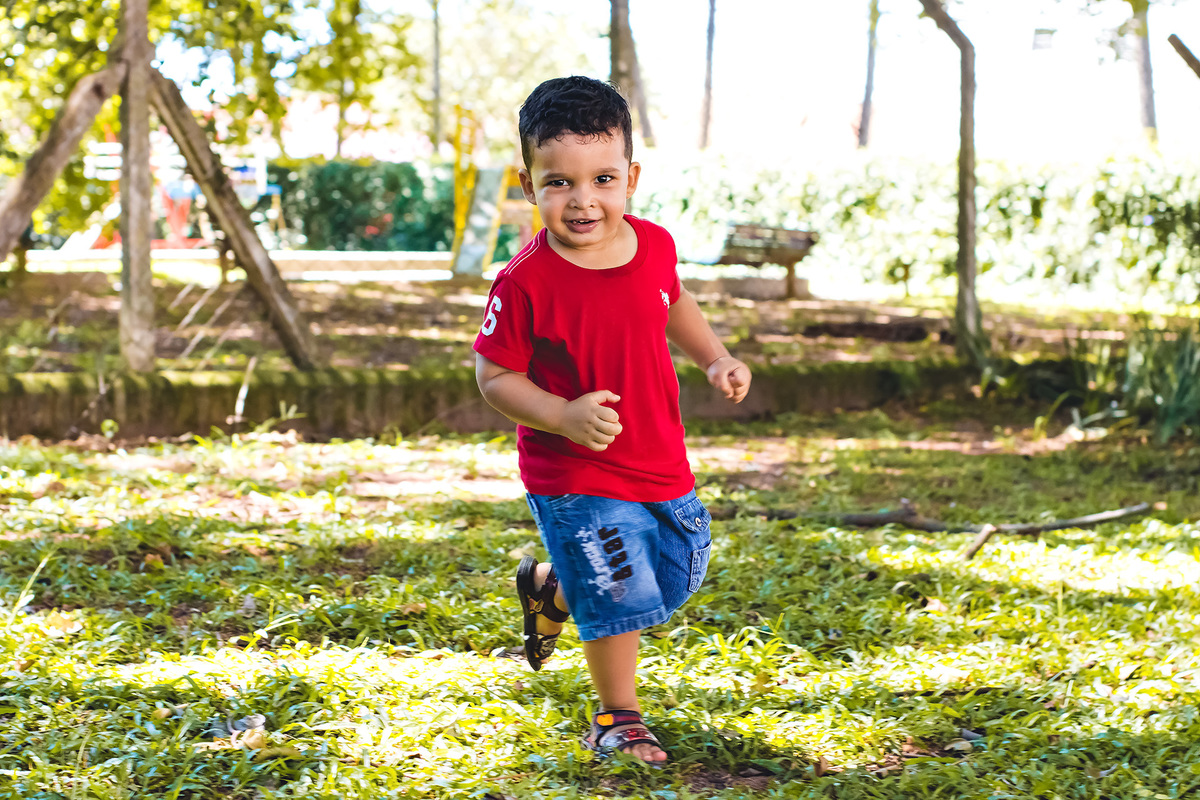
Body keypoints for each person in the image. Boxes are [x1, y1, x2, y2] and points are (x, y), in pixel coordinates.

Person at [473, 75, 750, 764]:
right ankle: (616, 718)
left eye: (601, 178)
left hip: (657, 455)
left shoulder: (653, 244)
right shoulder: (525, 281)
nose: (583, 200)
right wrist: (562, 415)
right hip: (574, 468)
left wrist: (714, 358)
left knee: (677, 571)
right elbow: (495, 377)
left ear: (630, 175)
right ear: (529, 183)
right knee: (622, 592)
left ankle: (557, 585)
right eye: (559, 182)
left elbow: (673, 302)